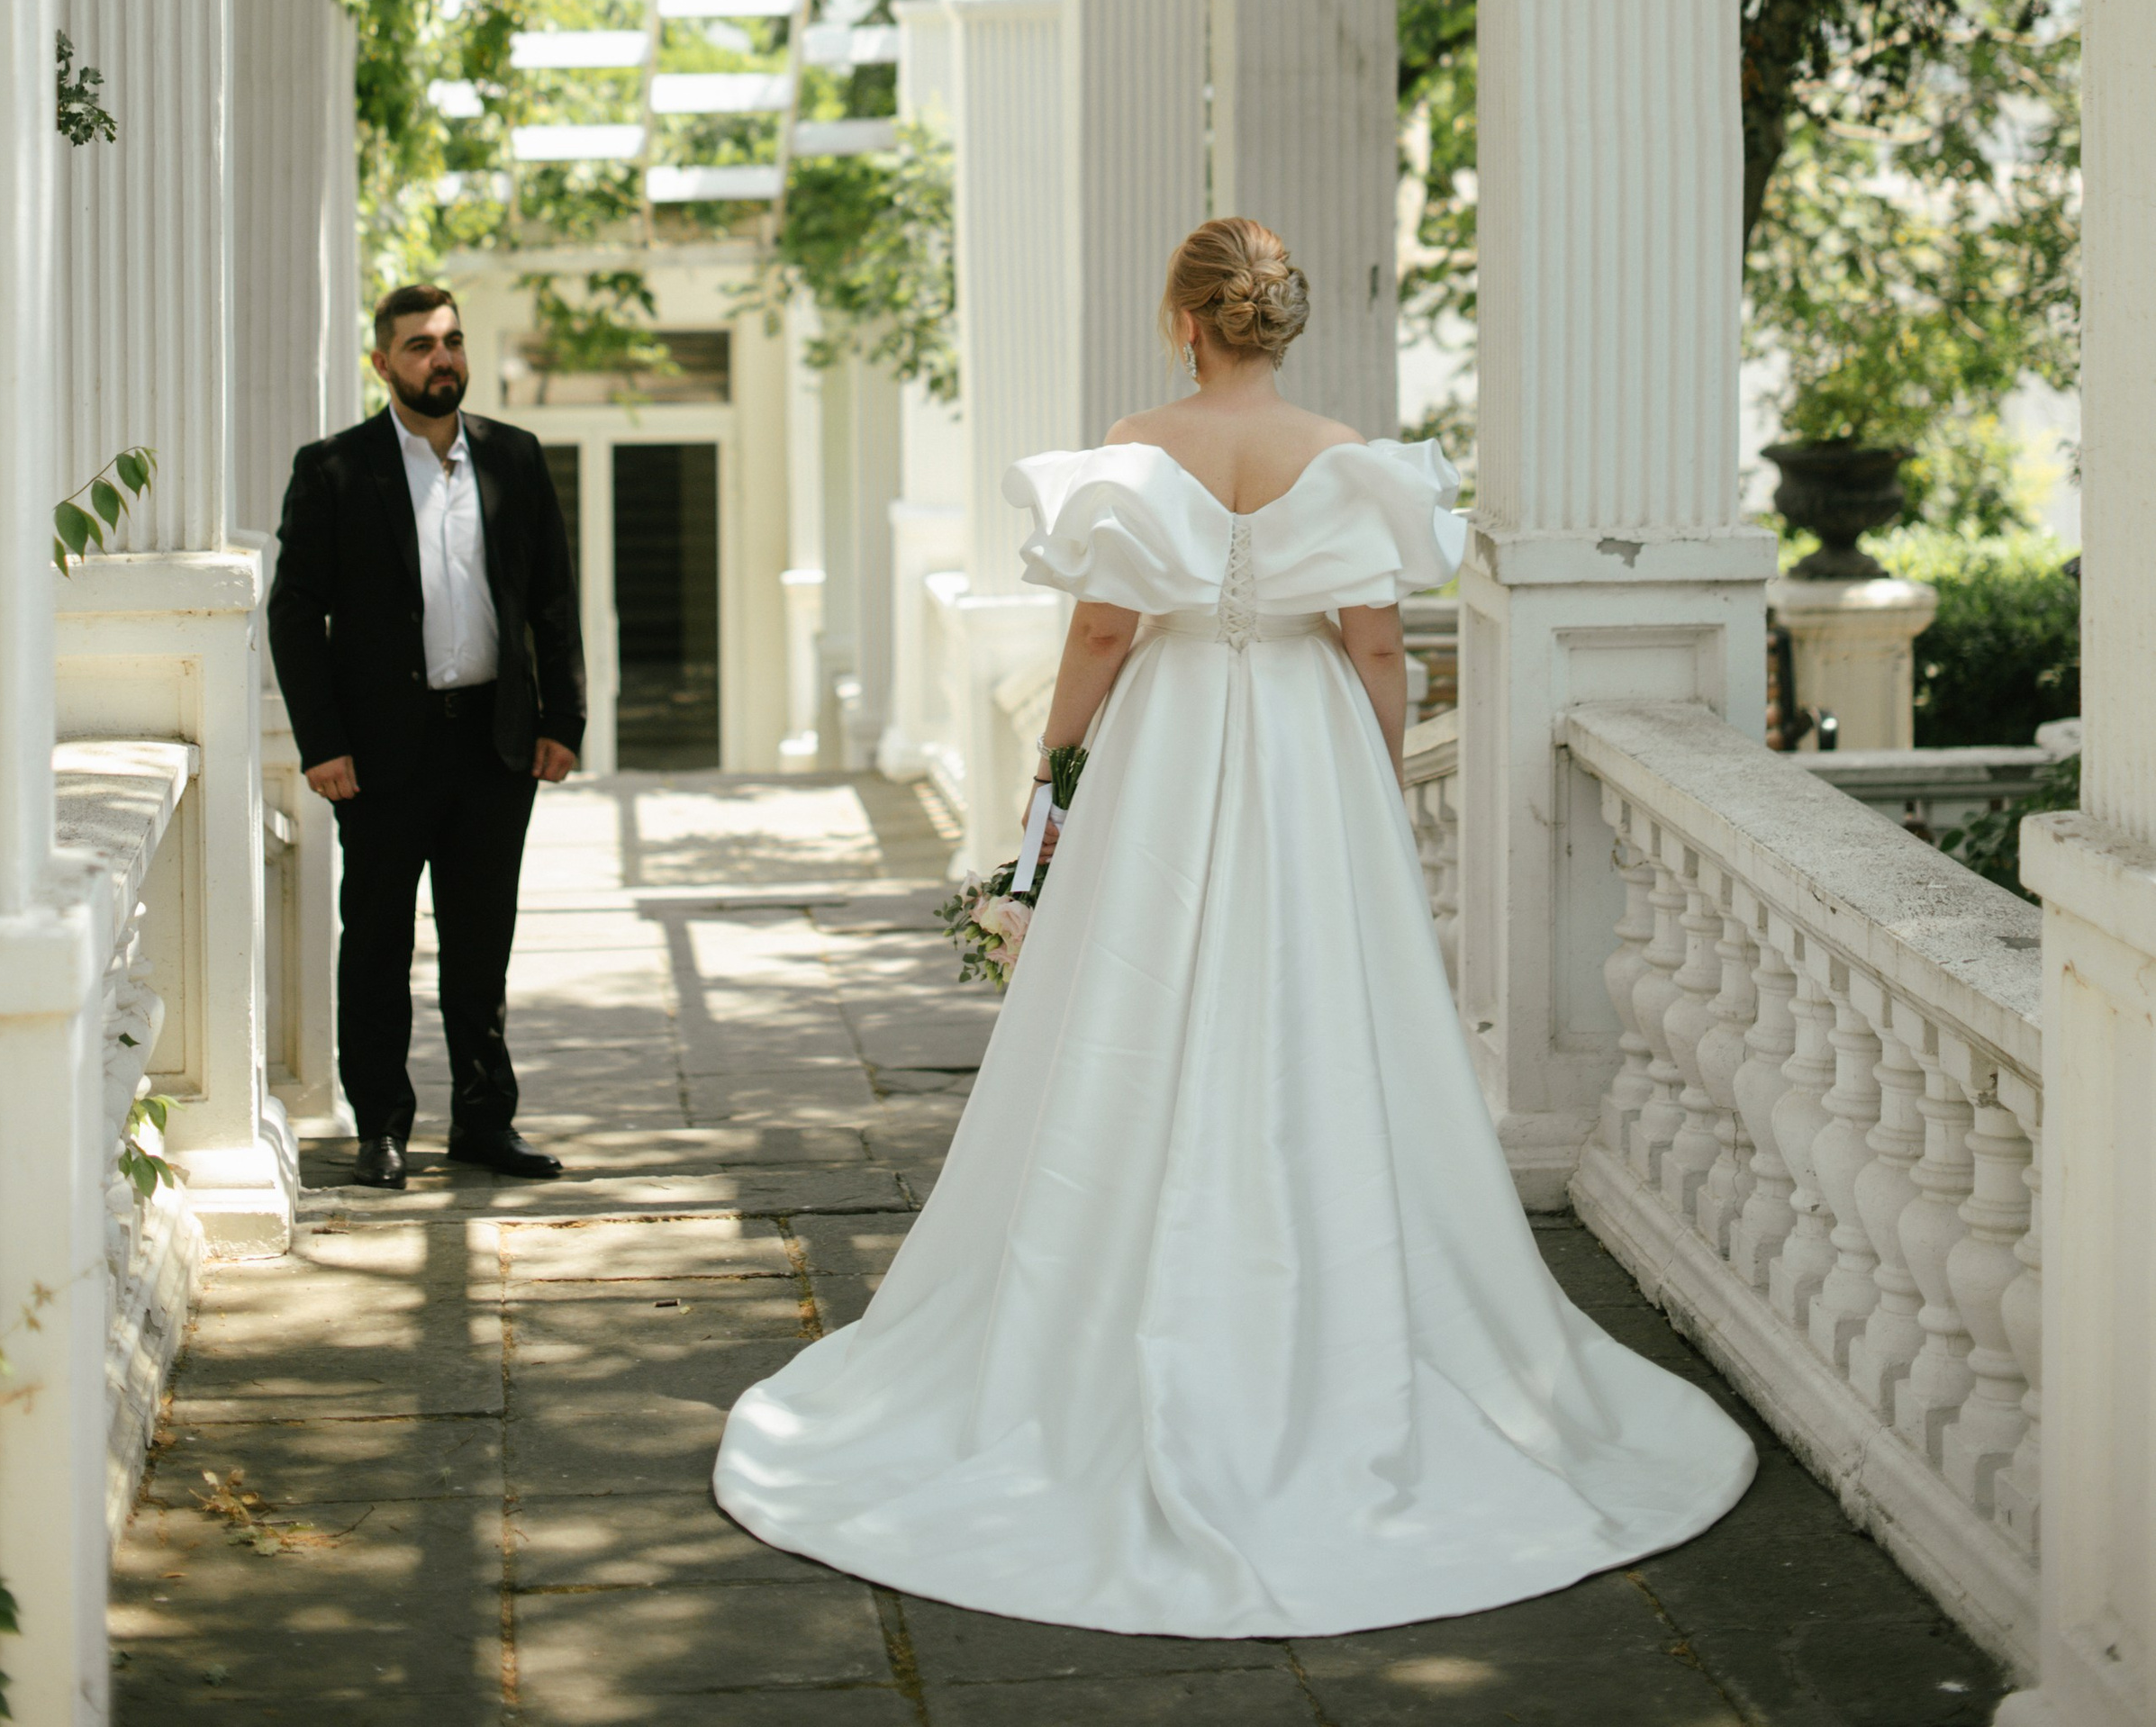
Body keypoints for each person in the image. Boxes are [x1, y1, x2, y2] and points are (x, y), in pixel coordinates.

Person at [715, 217, 1755, 1635]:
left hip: (1173, 733)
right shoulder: (1350, 457)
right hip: (1304, 743)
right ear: (1277, 322)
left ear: (1184, 320)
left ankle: (1108, 1295)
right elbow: (1380, 645)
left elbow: (1097, 634)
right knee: (1322, 1007)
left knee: (1139, 1001)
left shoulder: (1139, 446)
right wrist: (1369, 777)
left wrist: (1053, 772)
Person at [267, 282, 588, 1193]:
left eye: (450, 342)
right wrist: (323, 741)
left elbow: (551, 599)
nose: (440, 358)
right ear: (383, 364)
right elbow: (296, 616)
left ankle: (485, 1122)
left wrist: (562, 719)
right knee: (374, 943)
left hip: (493, 743)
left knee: (481, 943)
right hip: (378, 756)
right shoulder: (333, 469)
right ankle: (381, 1129)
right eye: (418, 346)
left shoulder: (514, 458)